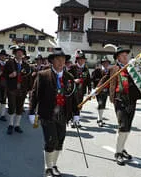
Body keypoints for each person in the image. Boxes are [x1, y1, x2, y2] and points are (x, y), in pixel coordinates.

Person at [29, 48, 78, 177]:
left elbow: (73, 97)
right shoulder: (43, 75)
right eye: (58, 59)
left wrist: (76, 113)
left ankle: (54, 165)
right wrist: (31, 112)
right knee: (51, 141)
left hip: (63, 114)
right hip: (47, 113)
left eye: (63, 59)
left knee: (60, 141)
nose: (61, 62)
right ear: (52, 61)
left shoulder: (69, 77)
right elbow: (35, 95)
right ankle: (47, 167)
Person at [98, 46, 141, 165]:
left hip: (131, 100)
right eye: (123, 55)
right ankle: (118, 153)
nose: (125, 57)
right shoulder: (114, 68)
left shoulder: (133, 68)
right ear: (118, 58)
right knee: (122, 126)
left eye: (126, 55)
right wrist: (96, 89)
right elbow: (104, 79)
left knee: (127, 128)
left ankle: (122, 148)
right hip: (119, 100)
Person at [5, 45, 32, 135]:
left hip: (22, 89)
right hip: (12, 88)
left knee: (20, 107)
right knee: (12, 106)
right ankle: (10, 125)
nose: (20, 54)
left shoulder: (26, 65)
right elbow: (4, 75)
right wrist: (9, 75)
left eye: (21, 52)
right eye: (18, 52)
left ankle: (17, 125)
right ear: (15, 53)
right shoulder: (9, 63)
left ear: (23, 55)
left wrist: (29, 89)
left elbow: (29, 78)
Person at [69, 50, 91, 128]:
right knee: (73, 105)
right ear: (77, 60)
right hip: (73, 90)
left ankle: (77, 120)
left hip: (81, 91)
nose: (81, 61)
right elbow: (67, 77)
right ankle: (72, 120)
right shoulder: (72, 67)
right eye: (80, 59)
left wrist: (89, 90)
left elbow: (88, 80)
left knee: (79, 106)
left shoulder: (86, 69)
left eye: (83, 59)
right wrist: (73, 80)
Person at [91, 56, 111, 127]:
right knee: (101, 103)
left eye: (107, 63)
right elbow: (93, 80)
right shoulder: (97, 71)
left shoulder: (110, 71)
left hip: (106, 91)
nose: (106, 64)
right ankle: (100, 120)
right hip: (98, 90)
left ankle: (99, 118)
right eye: (104, 63)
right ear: (102, 63)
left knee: (103, 104)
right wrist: (94, 89)